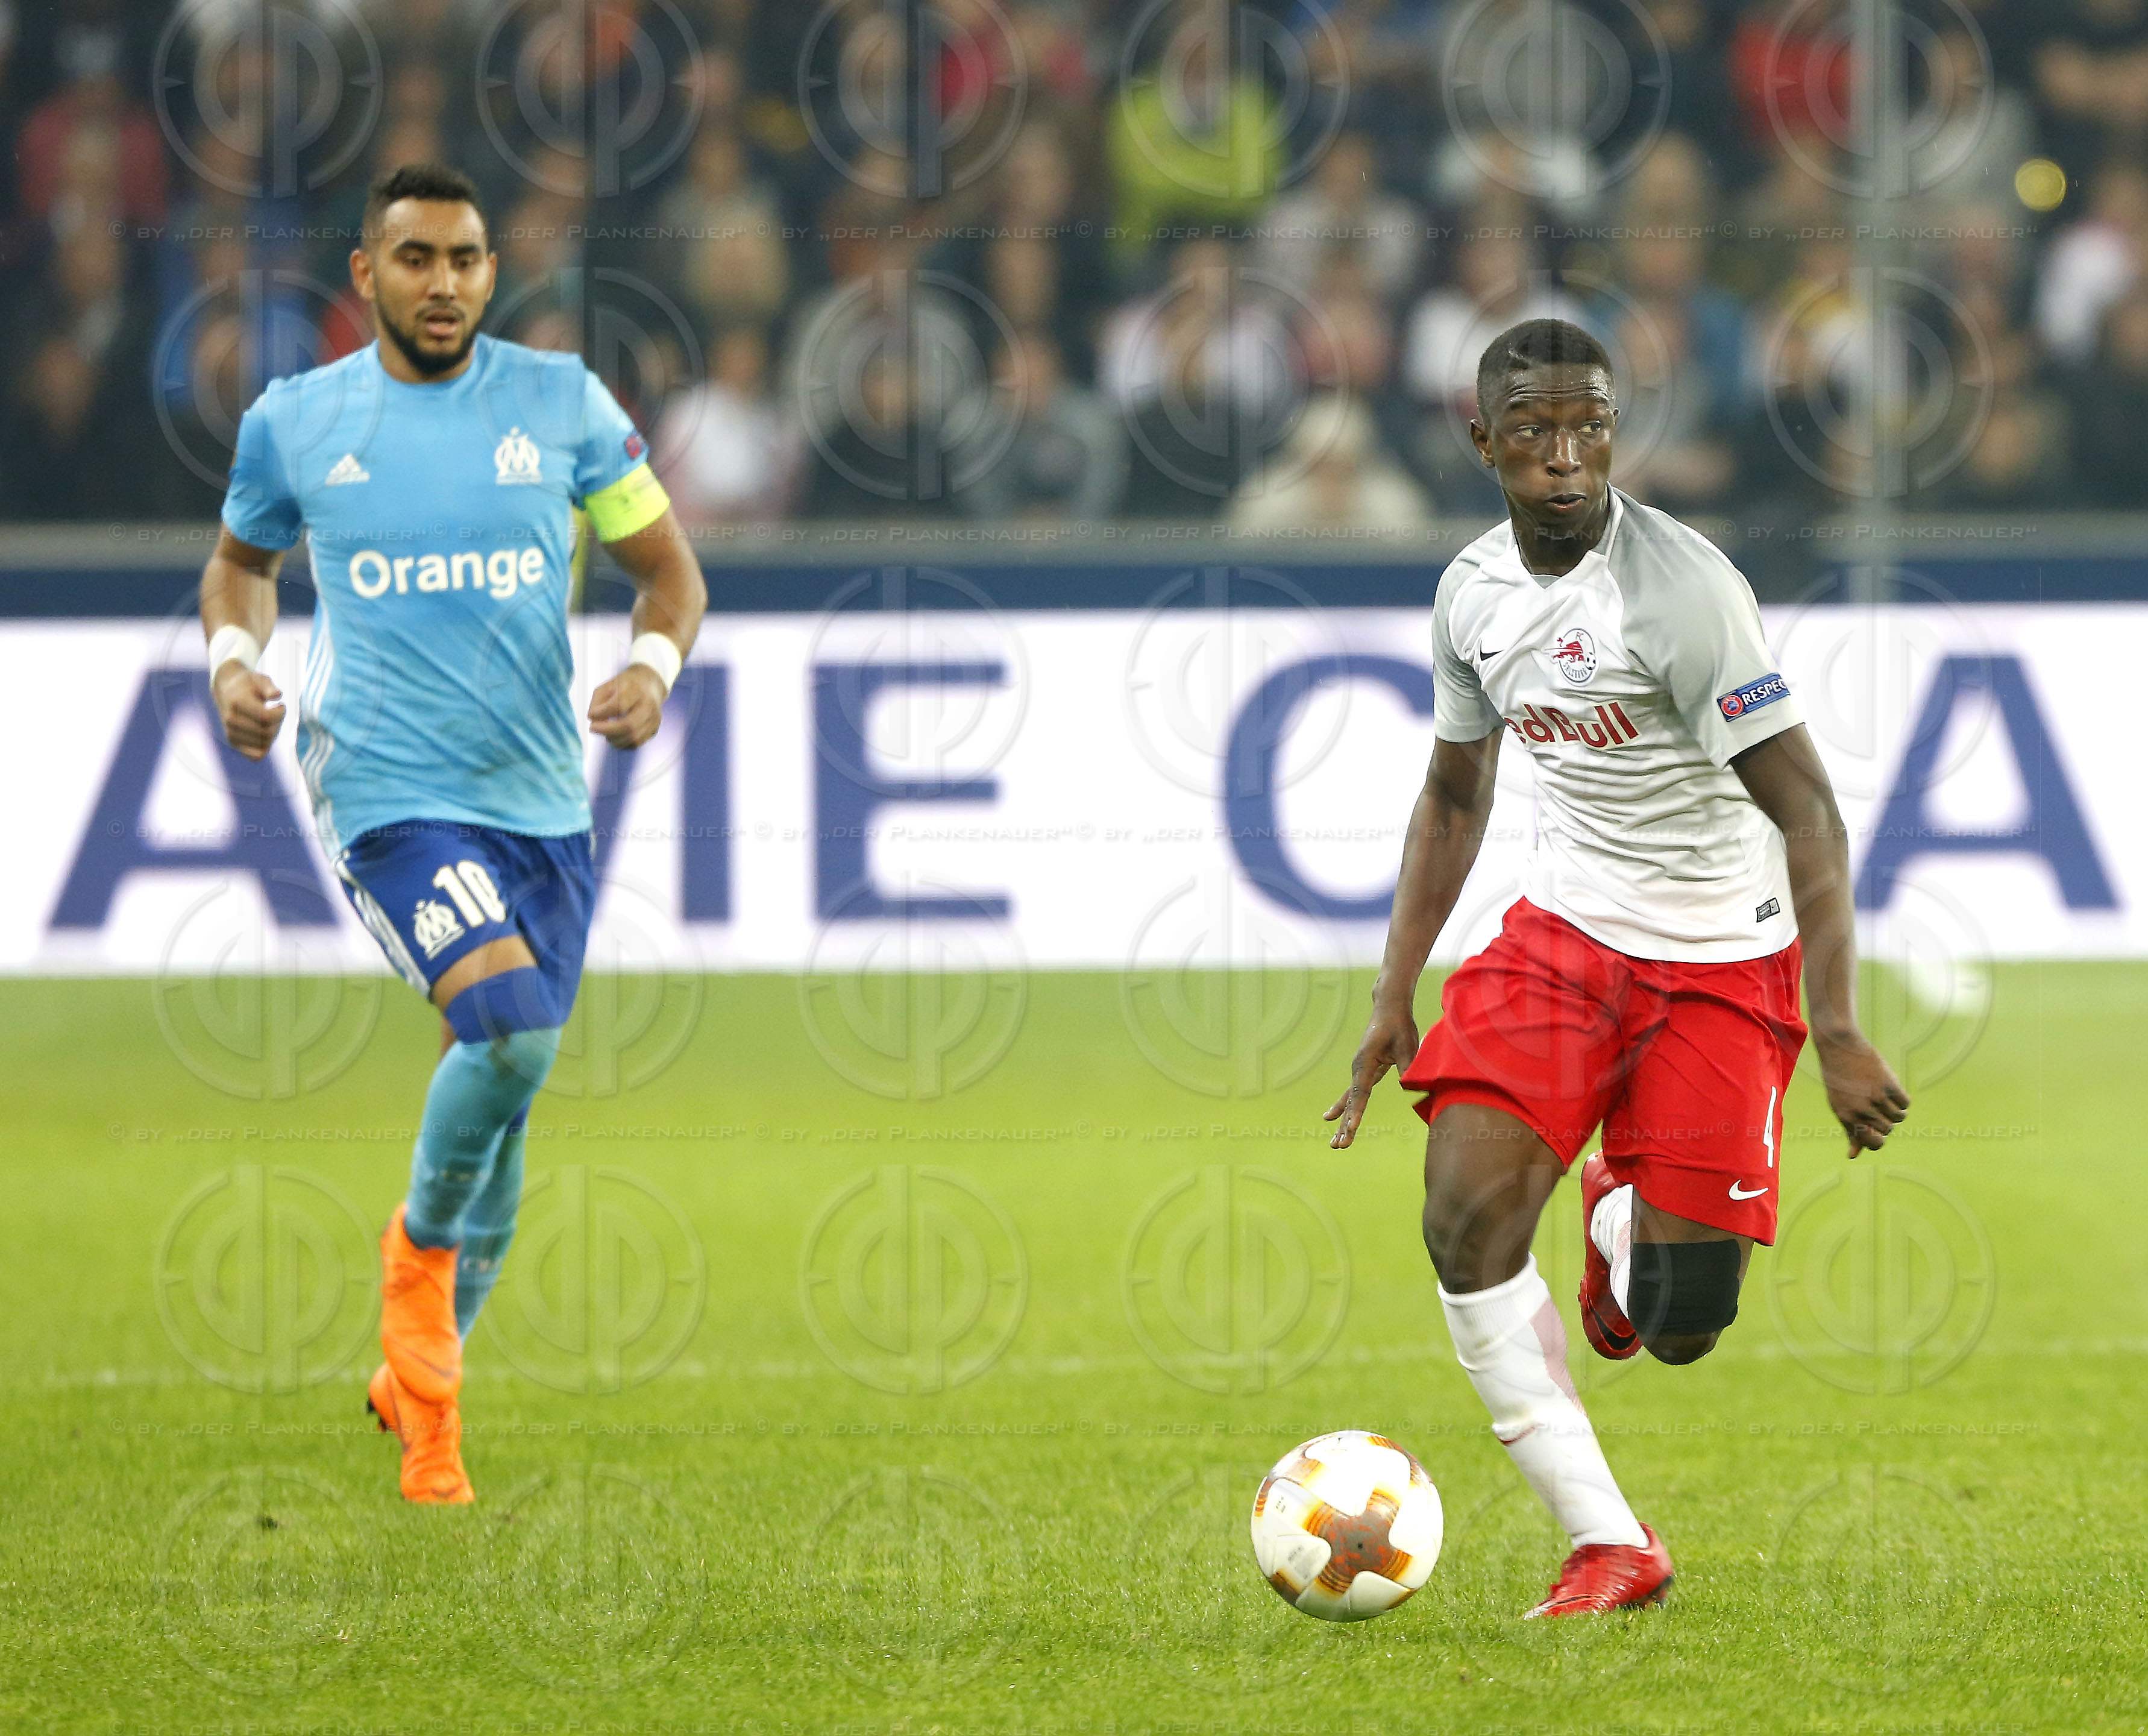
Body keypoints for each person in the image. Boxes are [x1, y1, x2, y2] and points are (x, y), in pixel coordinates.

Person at [1323, 318, 1908, 1616]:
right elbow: (1454, 791)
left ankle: (1618, 1211)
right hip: (1568, 940)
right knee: (1463, 1216)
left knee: (1682, 1324)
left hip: (1720, 961)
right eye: (1533, 432)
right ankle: (1611, 1543)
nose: (1568, 457)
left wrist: (1844, 1025)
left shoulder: (1682, 593)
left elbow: (1809, 810)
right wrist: (1390, 991)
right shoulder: (1472, 593)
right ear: (1484, 442)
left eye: (1591, 428)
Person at [199, 163, 707, 1505]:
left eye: (467, 260)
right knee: (512, 1031)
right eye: (416, 259)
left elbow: (670, 572)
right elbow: (239, 564)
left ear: (493, 272)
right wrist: (233, 667)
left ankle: (424, 1407)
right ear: (366, 275)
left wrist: (652, 671)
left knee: (505, 1100)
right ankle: (415, 1265)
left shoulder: (563, 407)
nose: (445, 284)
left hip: (542, 800)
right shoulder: (298, 423)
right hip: (384, 789)